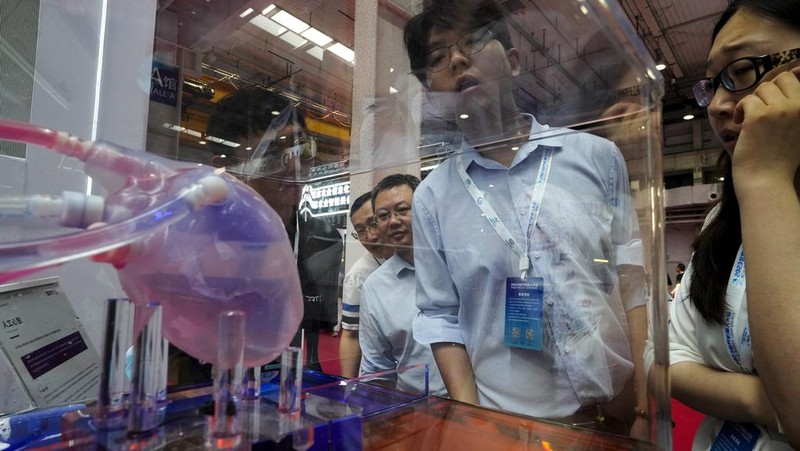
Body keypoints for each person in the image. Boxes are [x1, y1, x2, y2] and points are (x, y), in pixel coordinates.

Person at [404, 0, 648, 437]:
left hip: (616, 413)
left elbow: (631, 277)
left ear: (513, 62)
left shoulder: (595, 156)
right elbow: (441, 315)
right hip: (509, 425)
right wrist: (473, 421)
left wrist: (645, 406)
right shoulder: (431, 198)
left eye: (474, 42)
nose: (458, 60)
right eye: (438, 57)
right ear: (431, 92)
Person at [666, 0, 800, 448]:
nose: (719, 105)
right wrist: (768, 402)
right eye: (712, 84)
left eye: (742, 70)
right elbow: (666, 361)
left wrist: (765, 179)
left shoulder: (758, 188)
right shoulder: (722, 218)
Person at [207, 86, 343, 372]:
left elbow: (315, 333)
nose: (295, 166)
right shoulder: (199, 242)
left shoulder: (323, 239)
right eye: (272, 153)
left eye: (303, 150)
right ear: (227, 167)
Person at [358, 174, 446, 396]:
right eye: (383, 216)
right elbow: (377, 370)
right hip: (416, 409)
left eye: (403, 210)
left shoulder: (458, 263)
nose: (393, 221)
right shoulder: (375, 287)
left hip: (478, 407)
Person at [338, 192, 393, 378]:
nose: (369, 236)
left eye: (373, 223)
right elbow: (350, 335)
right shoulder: (359, 276)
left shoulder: (425, 258)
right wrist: (348, 386)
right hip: (381, 378)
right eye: (360, 230)